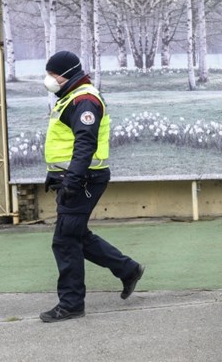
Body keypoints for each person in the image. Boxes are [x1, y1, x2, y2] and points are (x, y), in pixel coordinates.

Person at [40, 50, 145, 323]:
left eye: (54, 75)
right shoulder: (71, 98)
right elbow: (66, 145)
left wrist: (72, 180)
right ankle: (128, 269)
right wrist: (57, 175)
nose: (50, 79)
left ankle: (72, 303)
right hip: (78, 178)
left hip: (84, 179)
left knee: (65, 240)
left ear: (68, 74)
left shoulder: (84, 100)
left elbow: (85, 143)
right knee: (76, 236)